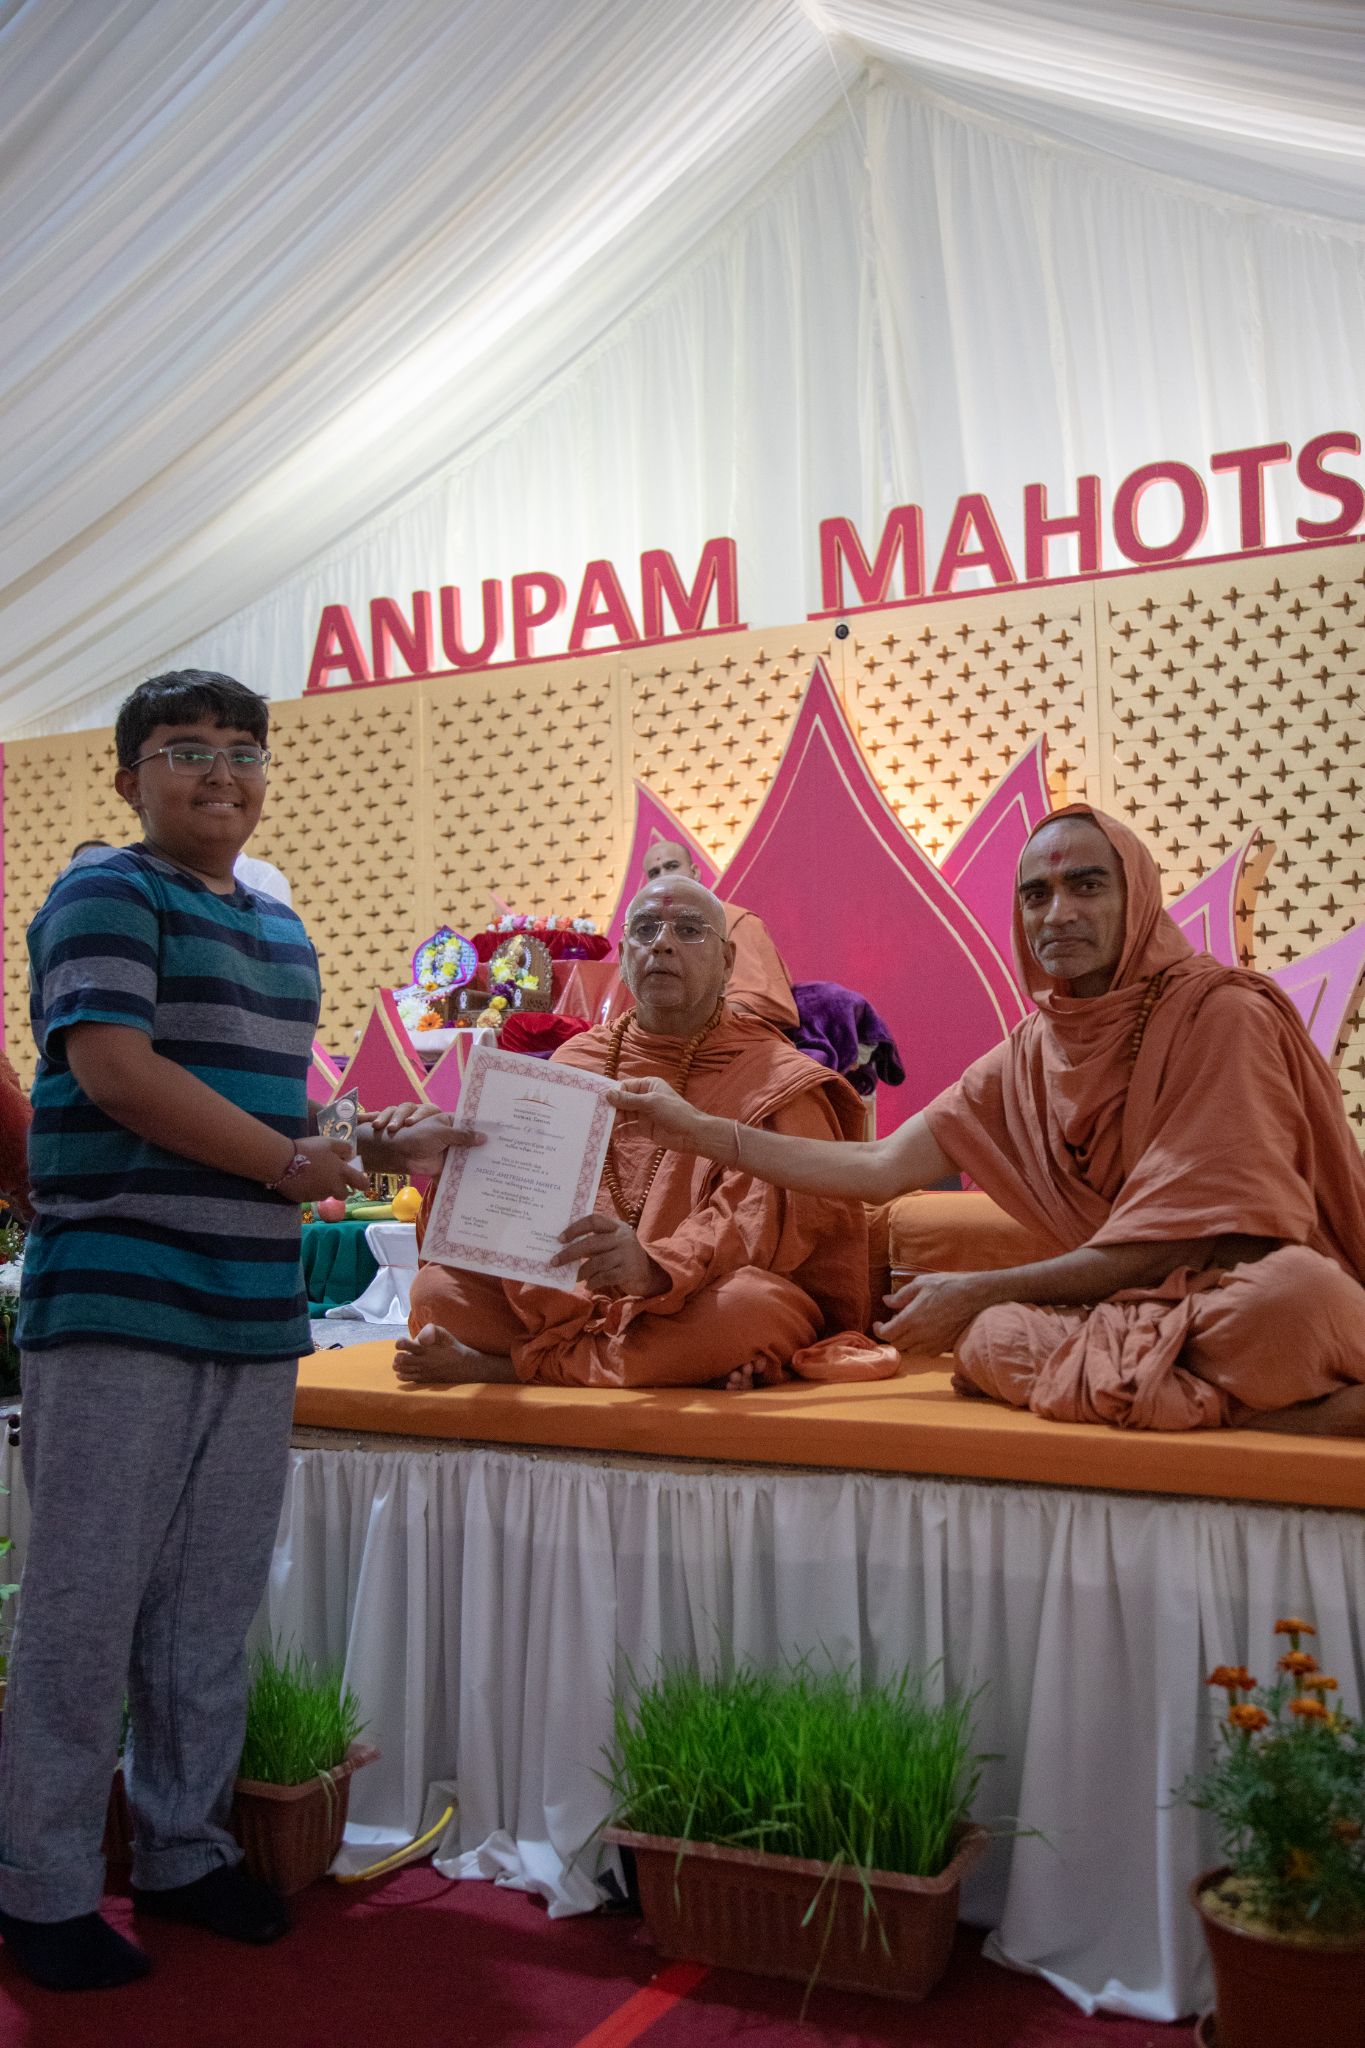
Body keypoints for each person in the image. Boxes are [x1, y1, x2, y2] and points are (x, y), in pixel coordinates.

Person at [0, 669, 472, 1994]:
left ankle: (184, 1852)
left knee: (210, 1607)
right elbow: (112, 1069)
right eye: (185, 750)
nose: (220, 771)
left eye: (242, 750)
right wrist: (285, 1166)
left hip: (254, 1309)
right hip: (120, 1299)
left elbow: (282, 1124)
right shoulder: (105, 892)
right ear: (126, 778)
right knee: (86, 1608)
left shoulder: (280, 930)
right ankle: (37, 1886)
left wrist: (368, 1140)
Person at [611, 806, 1365, 1435]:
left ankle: (1210, 1402)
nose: (1056, 913)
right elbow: (878, 1169)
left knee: (1296, 1298)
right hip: (1138, 1319)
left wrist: (984, 1287)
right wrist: (697, 1130)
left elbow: (1204, 1238)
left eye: (1085, 886)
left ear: (1135, 896)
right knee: (989, 1344)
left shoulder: (1219, 1012)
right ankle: (1266, 1413)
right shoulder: (1034, 1049)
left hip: (1239, 1300)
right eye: (1035, 895)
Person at [393, 875, 869, 1390]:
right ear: (623, 955)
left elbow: (753, 1225)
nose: (662, 942)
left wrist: (652, 1269)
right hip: (572, 1293)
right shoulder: (578, 1060)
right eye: (645, 929)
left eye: (689, 930)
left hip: (698, 1291)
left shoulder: (778, 1077)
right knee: (436, 1293)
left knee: (749, 1309)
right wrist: (461, 1167)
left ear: (728, 962)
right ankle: (657, 1369)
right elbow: (517, 1197)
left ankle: (508, 1368)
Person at [641, 840, 798, 1030]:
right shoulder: (646, 938)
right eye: (654, 873)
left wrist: (690, 1027)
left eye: (672, 866)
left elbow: (757, 999)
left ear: (695, 873)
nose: (664, 877)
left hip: (729, 1041)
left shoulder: (734, 921)